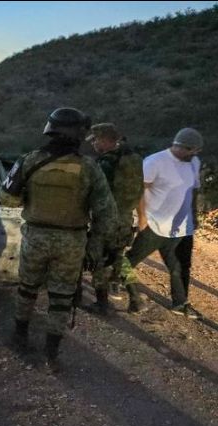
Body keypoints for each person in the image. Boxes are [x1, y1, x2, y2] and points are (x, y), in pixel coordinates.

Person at [0, 107, 116, 371]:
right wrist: (97, 246)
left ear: (49, 129)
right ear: (78, 134)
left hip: (36, 237)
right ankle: (51, 355)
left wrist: (31, 200)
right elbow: (106, 213)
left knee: (27, 288)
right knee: (62, 298)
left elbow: (6, 197)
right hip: (71, 242)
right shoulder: (89, 167)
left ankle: (19, 336)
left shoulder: (29, 160)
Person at [120, 128, 203, 318]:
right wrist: (141, 218)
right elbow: (139, 189)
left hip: (179, 229)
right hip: (154, 225)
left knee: (177, 267)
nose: (196, 155)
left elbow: (193, 190)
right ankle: (116, 285)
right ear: (183, 147)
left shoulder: (194, 162)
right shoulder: (155, 162)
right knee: (128, 261)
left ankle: (180, 304)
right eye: (194, 151)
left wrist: (194, 215)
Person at [85, 123, 143, 313]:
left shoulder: (107, 162)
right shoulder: (132, 158)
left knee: (99, 259)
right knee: (119, 258)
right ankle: (135, 298)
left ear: (105, 139)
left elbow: (98, 192)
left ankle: (102, 303)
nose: (93, 143)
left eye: (95, 139)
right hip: (125, 218)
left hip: (107, 219)